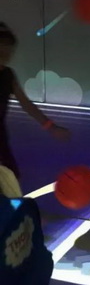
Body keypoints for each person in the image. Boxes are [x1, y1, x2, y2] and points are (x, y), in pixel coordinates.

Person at [0, 23, 70, 179]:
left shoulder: (8, 75)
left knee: (10, 178)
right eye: (2, 46)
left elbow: (26, 104)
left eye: (9, 48)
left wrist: (51, 127)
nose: (6, 52)